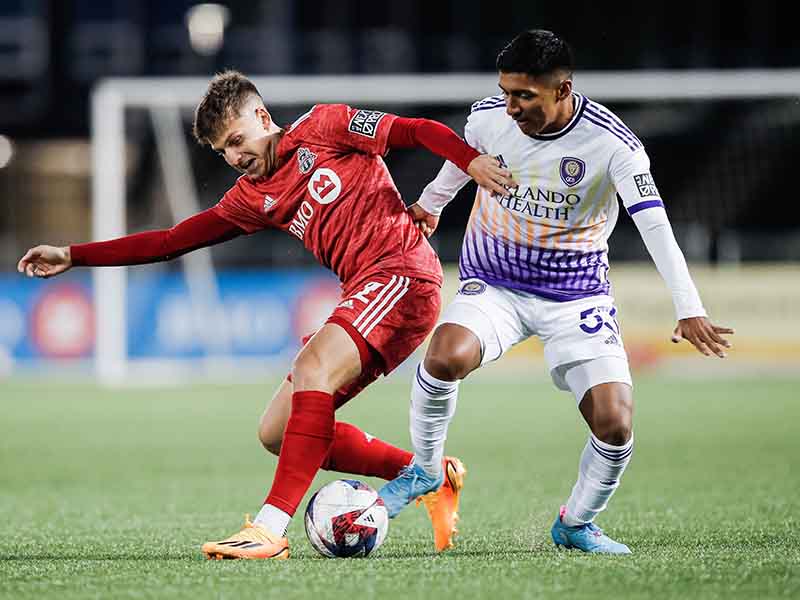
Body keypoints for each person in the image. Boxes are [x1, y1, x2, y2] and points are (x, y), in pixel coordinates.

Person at [17, 70, 516, 559]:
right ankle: (428, 472)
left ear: (261, 115)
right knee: (275, 431)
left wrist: (469, 163)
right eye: (222, 152)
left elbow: (416, 131)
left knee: (312, 368)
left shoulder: (326, 126)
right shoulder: (252, 198)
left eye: (237, 140)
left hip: (403, 277)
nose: (234, 158)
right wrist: (73, 254)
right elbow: (169, 242)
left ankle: (270, 528)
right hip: (363, 291)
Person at [378, 30, 734, 554]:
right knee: (443, 356)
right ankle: (427, 472)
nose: (512, 107)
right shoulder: (489, 118)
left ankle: (576, 522)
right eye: (505, 92)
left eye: (525, 96)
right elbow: (464, 157)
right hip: (495, 281)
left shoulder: (614, 144)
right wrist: (432, 203)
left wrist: (690, 308)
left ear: (562, 88)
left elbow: (655, 226)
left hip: (576, 294)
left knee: (614, 422)